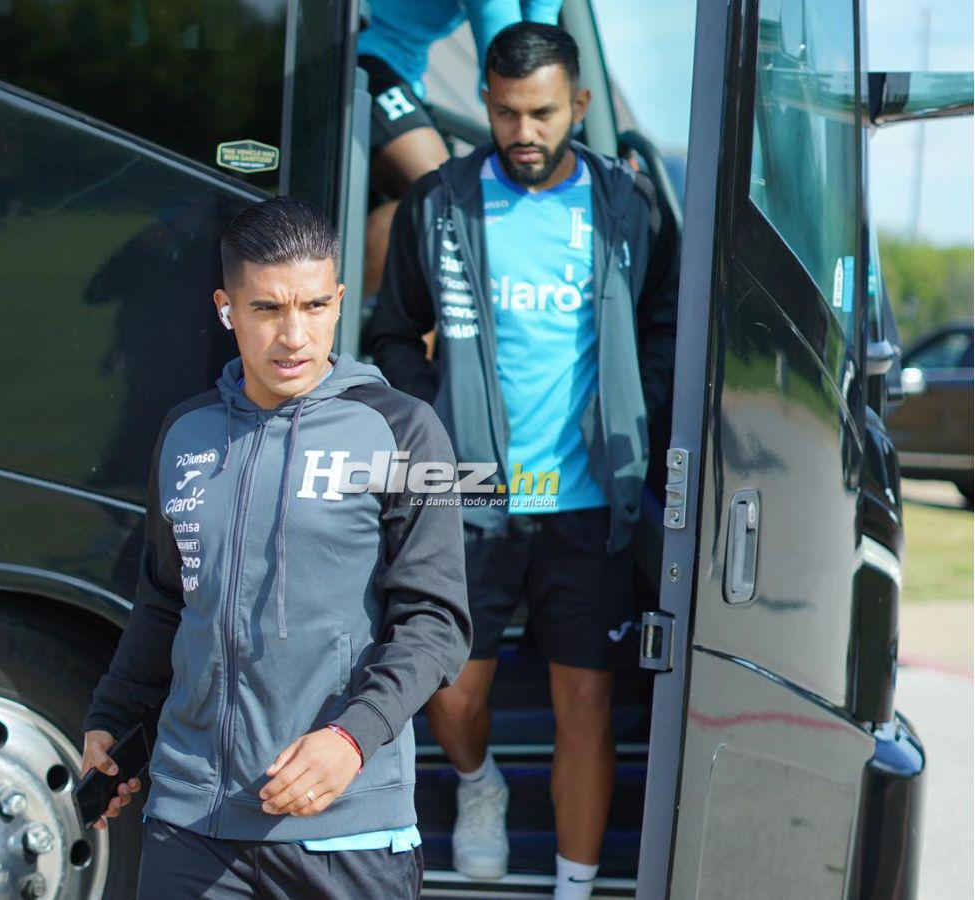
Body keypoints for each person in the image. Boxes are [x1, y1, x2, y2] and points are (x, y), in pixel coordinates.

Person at [365, 22, 679, 900]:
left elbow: (663, 324)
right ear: (487, 108)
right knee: (453, 695)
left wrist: (635, 404)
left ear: (577, 105)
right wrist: (434, 421)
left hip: (588, 501)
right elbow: (393, 334)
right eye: (505, 114)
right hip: (469, 495)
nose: (524, 134)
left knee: (584, 707)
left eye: (541, 113)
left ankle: (574, 887)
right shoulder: (442, 202)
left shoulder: (628, 205)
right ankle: (478, 787)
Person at [81, 196, 471, 899]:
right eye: (266, 310)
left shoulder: (405, 431)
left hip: (344, 827)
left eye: (315, 307)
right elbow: (167, 599)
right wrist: (113, 718)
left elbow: (436, 624)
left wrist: (353, 738)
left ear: (340, 301)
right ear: (226, 307)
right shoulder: (184, 432)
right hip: (191, 825)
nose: (294, 335)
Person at [359, 0, 563, 299]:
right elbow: (508, 73)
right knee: (438, 197)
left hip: (405, 74)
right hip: (358, 51)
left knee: (441, 222)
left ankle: (398, 340)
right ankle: (320, 315)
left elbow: (544, 48)